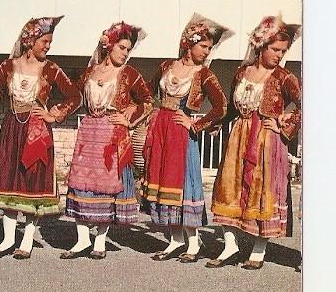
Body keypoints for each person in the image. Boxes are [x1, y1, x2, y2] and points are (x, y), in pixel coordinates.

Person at [207, 15, 301, 270]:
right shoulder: (241, 73)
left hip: (267, 141)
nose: (279, 55)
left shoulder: (284, 77)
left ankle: (259, 249)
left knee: (262, 191)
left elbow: (306, 103)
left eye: (283, 51)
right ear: (261, 46)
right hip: (238, 136)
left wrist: (285, 123)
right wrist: (215, 123)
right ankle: (230, 246)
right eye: (274, 49)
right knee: (229, 187)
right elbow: (231, 108)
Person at [0, 16, 81, 259]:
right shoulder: (7, 67)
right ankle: (8, 239)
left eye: (50, 42)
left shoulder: (50, 69)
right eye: (44, 41)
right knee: (9, 180)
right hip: (11, 128)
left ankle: (27, 240)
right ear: (30, 41)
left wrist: (54, 114)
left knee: (32, 183)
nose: (48, 46)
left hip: (37, 132)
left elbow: (75, 96)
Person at [142, 14, 232, 262]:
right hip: (162, 128)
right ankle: (176, 240)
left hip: (182, 133)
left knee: (183, 183)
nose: (206, 51)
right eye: (203, 46)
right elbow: (147, 93)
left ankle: (193, 242)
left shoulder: (204, 74)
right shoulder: (165, 66)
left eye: (209, 47)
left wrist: (195, 123)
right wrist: (149, 113)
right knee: (164, 182)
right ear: (188, 43)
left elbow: (221, 107)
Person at [63, 21, 152, 260]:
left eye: (128, 49)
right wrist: (55, 113)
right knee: (81, 183)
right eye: (121, 47)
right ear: (109, 46)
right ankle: (82, 239)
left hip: (112, 134)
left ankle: (100, 241)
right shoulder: (90, 72)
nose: (125, 53)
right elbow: (74, 96)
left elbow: (148, 101)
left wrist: (128, 118)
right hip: (89, 132)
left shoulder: (130, 74)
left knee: (106, 187)